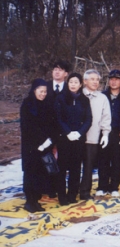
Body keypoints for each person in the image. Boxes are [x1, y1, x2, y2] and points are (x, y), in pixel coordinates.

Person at [55, 73, 92, 205]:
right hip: (64, 139)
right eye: (71, 82)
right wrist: (68, 132)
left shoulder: (84, 100)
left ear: (81, 84)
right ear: (67, 83)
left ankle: (72, 194)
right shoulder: (61, 98)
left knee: (76, 168)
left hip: (78, 139)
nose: (73, 85)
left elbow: (88, 119)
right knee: (62, 167)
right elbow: (59, 118)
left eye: (76, 82)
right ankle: (62, 196)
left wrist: (80, 133)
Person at [20, 79, 55, 212]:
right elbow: (28, 126)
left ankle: (36, 200)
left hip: (45, 144)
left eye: (45, 91)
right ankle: (30, 201)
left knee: (40, 172)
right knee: (30, 172)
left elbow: (51, 123)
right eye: (41, 91)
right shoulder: (27, 104)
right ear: (34, 90)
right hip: (31, 146)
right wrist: (40, 141)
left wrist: (49, 139)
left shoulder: (46, 104)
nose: (43, 94)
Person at [80, 69, 111, 200]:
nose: (95, 82)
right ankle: (70, 191)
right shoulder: (77, 95)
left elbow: (106, 117)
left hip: (92, 137)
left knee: (88, 166)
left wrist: (105, 134)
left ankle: (84, 192)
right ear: (84, 81)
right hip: (75, 137)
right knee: (74, 166)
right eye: (92, 79)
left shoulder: (102, 98)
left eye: (97, 80)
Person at [97, 69, 120, 197]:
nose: (114, 82)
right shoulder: (102, 96)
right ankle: (102, 186)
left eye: (117, 79)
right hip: (104, 132)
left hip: (118, 133)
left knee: (116, 159)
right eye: (111, 79)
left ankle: (114, 186)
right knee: (103, 159)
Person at [45, 60, 71, 198]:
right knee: (46, 160)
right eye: (55, 69)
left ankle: (60, 189)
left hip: (64, 132)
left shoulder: (70, 88)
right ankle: (47, 188)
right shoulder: (45, 87)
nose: (57, 71)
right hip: (46, 132)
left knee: (62, 162)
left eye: (60, 69)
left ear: (66, 74)